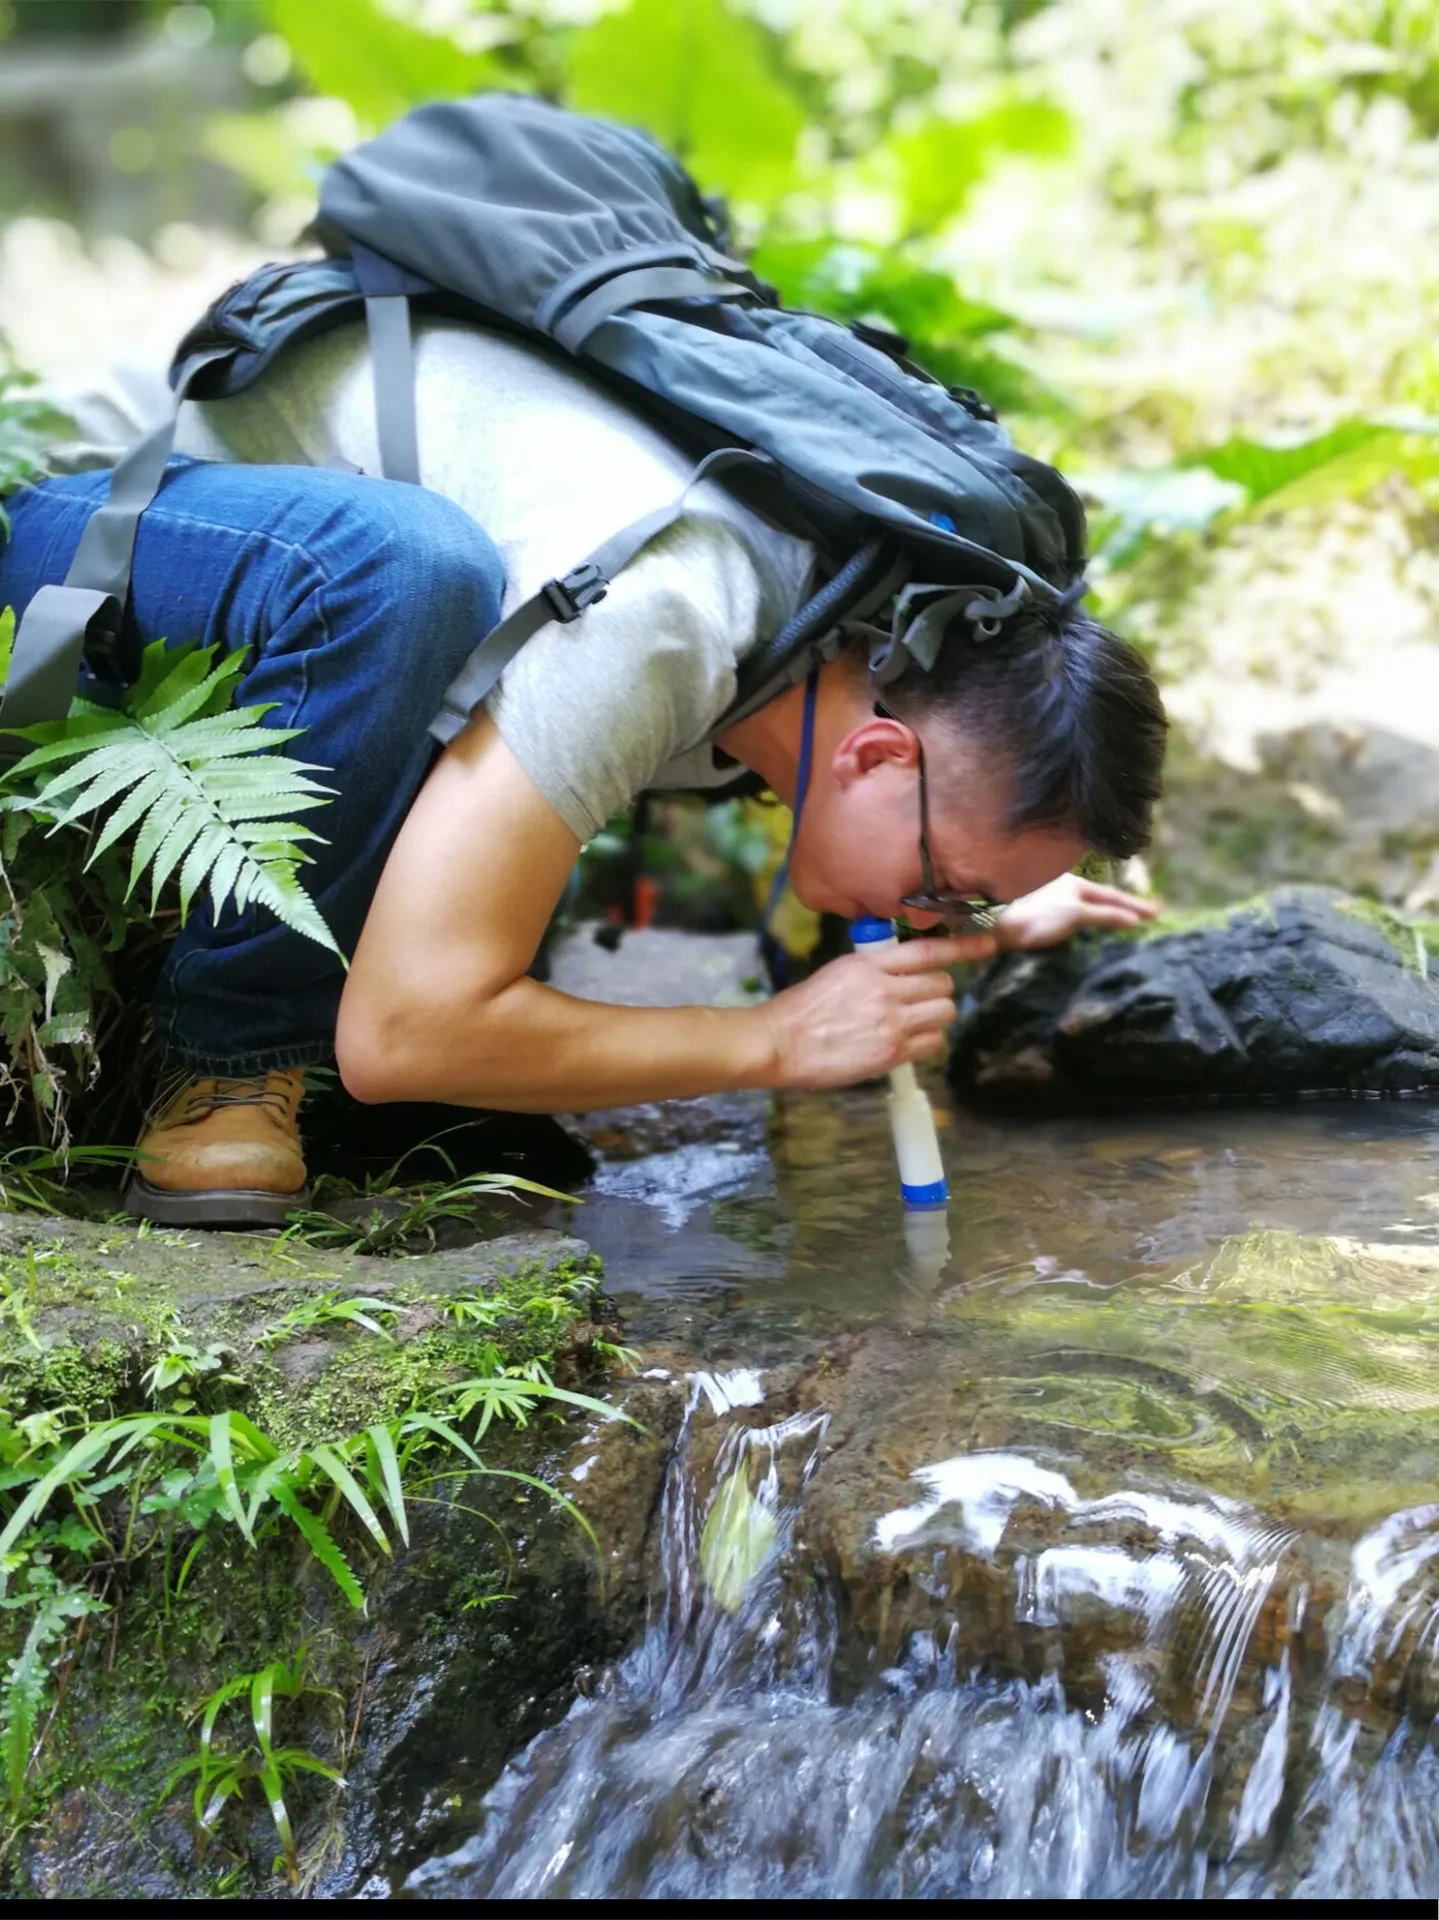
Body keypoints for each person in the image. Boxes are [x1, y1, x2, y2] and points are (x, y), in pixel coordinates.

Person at [0, 313, 1166, 1226]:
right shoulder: (662, 614)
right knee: (410, 572)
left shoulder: (843, 634)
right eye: (943, 888)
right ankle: (231, 1060)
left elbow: (868, 817)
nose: (930, 919)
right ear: (873, 751)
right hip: (98, 535)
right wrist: (770, 1040)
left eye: (958, 906)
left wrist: (989, 885)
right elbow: (402, 1035)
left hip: (242, 573)